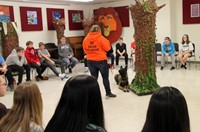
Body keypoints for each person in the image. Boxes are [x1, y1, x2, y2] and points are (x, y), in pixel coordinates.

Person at [83, 25, 116, 98]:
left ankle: (92, 94)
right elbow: (108, 49)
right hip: (101, 61)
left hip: (90, 61)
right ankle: (108, 93)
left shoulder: (86, 39)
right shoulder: (101, 38)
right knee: (105, 78)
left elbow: (85, 50)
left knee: (94, 78)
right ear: (99, 30)